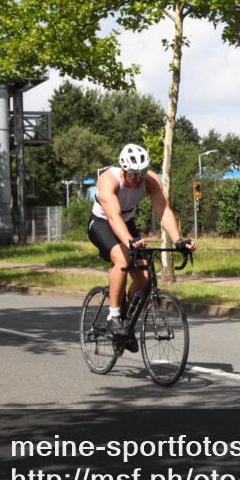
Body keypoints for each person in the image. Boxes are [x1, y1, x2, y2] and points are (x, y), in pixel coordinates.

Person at [87, 144, 196, 340]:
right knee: (122, 259)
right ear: (123, 169)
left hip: (126, 221)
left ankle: (127, 322)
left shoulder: (150, 180)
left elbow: (164, 211)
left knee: (144, 276)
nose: (138, 179)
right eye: (134, 174)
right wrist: (129, 241)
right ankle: (113, 316)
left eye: (142, 174)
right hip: (102, 223)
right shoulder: (108, 180)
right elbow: (113, 217)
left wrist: (178, 240)